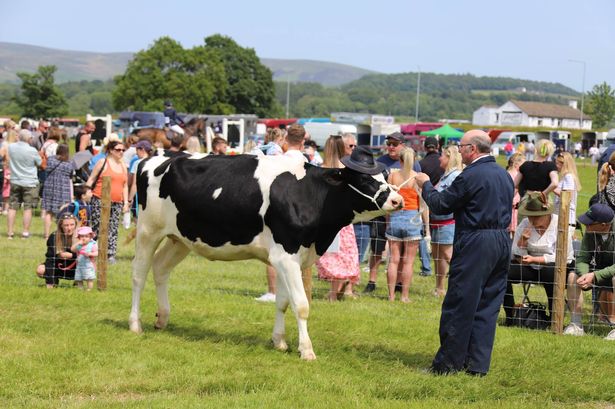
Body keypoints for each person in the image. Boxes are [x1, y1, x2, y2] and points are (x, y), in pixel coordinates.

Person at [415, 129, 513, 376]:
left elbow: (441, 205)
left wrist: (425, 184)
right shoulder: (504, 174)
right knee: (488, 305)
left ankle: (448, 365)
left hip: (476, 239)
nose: (459, 150)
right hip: (501, 240)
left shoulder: (470, 175)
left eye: (461, 146)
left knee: (460, 303)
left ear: (472, 149)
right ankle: (477, 365)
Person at [503, 192, 575, 324]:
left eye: (536, 217)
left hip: (555, 268)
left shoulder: (559, 224)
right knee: (503, 271)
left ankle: (554, 319)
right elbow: (514, 253)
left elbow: (564, 256)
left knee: (549, 273)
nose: (532, 220)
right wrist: (523, 241)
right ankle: (510, 314)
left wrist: (536, 259)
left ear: (547, 213)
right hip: (530, 267)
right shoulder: (525, 223)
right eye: (530, 216)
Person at [364, 132, 422, 293]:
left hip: (402, 213)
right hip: (381, 212)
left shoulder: (413, 164)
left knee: (402, 253)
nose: (390, 147)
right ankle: (372, 281)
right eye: (388, 143)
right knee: (377, 247)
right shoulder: (380, 162)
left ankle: (399, 283)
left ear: (402, 145)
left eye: (394, 144)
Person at [255, 124, 307, 303]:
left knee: (274, 253)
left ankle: (274, 291)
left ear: (286, 139)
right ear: (303, 140)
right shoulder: (306, 163)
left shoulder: (277, 160)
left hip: (275, 212)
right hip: (298, 215)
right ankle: (294, 293)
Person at [315, 135, 360, 301]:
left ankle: (335, 293)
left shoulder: (321, 170)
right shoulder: (347, 171)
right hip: (344, 220)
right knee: (343, 254)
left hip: (326, 218)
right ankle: (340, 289)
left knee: (330, 254)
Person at [564, 204, 615, 339]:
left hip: (609, 274)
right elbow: (582, 258)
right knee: (573, 276)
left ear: (604, 225)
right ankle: (576, 324)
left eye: (590, 223)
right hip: (596, 272)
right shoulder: (590, 232)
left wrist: (595, 276)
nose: (586, 226)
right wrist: (585, 274)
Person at [385, 147, 425, 302]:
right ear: (414, 159)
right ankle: (405, 296)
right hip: (412, 218)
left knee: (393, 260)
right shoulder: (418, 177)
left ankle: (391, 296)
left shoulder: (393, 176)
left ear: (400, 160)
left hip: (395, 217)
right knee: (408, 261)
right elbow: (422, 203)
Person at [86, 140, 129, 264]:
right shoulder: (103, 162)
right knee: (97, 226)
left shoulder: (123, 165)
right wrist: (86, 192)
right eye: (118, 150)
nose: (121, 152)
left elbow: (125, 185)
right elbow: (91, 178)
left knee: (113, 228)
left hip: (117, 201)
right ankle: (92, 251)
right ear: (110, 150)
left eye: (123, 150)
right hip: (100, 198)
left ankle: (110, 254)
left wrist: (125, 202)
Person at [430, 145, 463, 297]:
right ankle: (440, 287)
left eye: (442, 155)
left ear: (450, 158)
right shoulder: (446, 175)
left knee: (448, 255)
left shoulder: (455, 176)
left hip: (447, 222)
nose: (439, 158)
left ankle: (462, 284)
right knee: (438, 256)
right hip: (438, 222)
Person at [7, 129, 42, 239]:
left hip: (15, 180)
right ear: (28, 138)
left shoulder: (11, 147)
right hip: (29, 182)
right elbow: (40, 163)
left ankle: (10, 232)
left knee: (12, 207)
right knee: (27, 208)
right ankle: (25, 232)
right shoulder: (32, 150)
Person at [41, 144, 75, 239]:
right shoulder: (69, 163)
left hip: (50, 188)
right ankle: (61, 234)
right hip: (63, 189)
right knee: (63, 213)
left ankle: (46, 235)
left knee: (49, 212)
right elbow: (71, 176)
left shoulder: (51, 159)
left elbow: (46, 169)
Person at [36, 213, 78, 288]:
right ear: (61, 225)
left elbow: (87, 255)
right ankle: (54, 282)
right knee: (40, 270)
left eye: (72, 225)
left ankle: (78, 283)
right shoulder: (54, 237)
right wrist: (50, 283)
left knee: (88, 264)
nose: (69, 228)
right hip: (58, 267)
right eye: (66, 225)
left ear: (76, 224)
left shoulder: (82, 236)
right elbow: (50, 259)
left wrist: (72, 255)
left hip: (75, 268)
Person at [553, 152, 581, 239]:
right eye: (556, 162)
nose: (556, 165)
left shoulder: (568, 177)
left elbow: (567, 196)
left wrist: (551, 187)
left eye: (559, 163)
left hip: (566, 219)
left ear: (565, 164)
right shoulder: (565, 177)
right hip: (562, 218)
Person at [72, 226, 98, 291]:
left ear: (90, 237)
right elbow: (72, 249)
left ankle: (89, 289)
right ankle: (80, 288)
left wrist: (91, 254)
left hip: (89, 266)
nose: (84, 238)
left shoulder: (92, 244)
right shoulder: (79, 245)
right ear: (79, 237)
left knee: (89, 278)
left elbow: (97, 253)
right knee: (79, 278)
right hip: (80, 266)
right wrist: (78, 243)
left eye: (86, 236)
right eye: (82, 236)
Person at [506, 153, 526, 237]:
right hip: (513, 205)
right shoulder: (515, 175)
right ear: (516, 164)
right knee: (513, 231)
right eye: (523, 164)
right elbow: (511, 191)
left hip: (510, 205)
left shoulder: (506, 173)